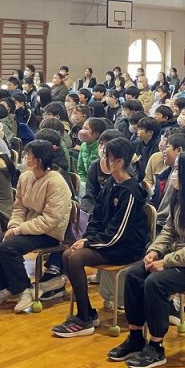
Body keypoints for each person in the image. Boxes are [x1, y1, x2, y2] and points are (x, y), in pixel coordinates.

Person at [107, 149, 185, 368]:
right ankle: (135, 337)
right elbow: (169, 231)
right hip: (179, 257)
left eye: (178, 169)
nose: (173, 173)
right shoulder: (182, 196)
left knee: (156, 282)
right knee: (134, 275)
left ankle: (156, 346)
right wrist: (154, 251)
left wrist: (167, 261)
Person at [52, 137, 150, 338]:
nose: (102, 160)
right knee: (68, 254)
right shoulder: (110, 184)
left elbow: (118, 231)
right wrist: (86, 238)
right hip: (107, 242)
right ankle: (87, 313)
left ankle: (84, 318)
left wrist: (90, 243)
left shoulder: (131, 191)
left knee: (75, 258)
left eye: (107, 156)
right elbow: (97, 217)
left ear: (119, 162)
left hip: (126, 247)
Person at [0, 140, 73, 313]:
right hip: (27, 227)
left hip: (49, 233)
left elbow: (50, 220)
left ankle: (24, 290)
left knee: (8, 248)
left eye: (28, 155)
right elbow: (19, 207)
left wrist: (19, 230)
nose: (25, 158)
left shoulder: (56, 182)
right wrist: (14, 225)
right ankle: (7, 288)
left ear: (39, 160)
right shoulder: (25, 177)